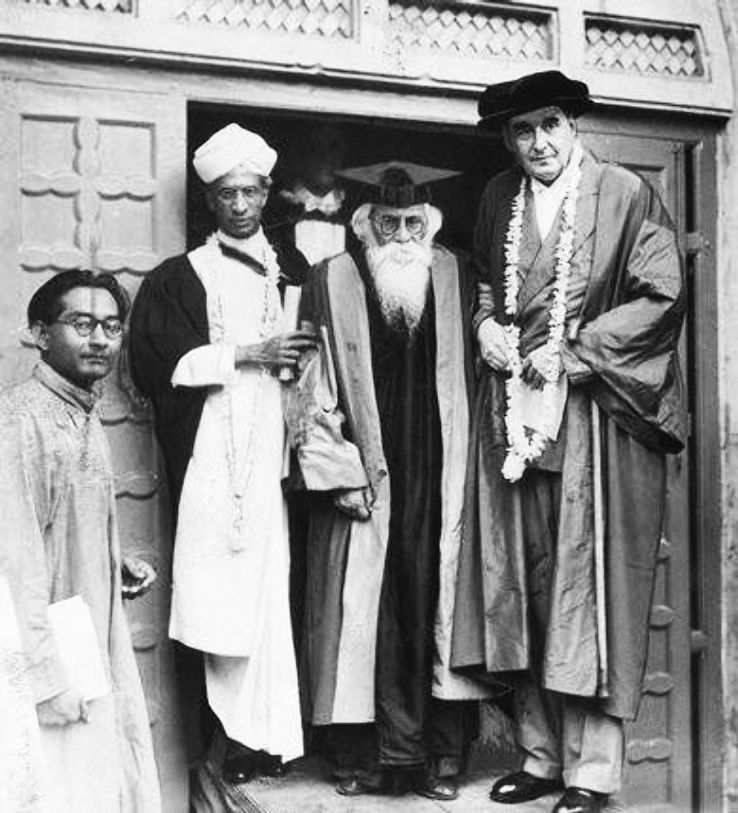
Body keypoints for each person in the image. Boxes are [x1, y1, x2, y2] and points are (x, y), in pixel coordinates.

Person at [450, 71, 686, 813]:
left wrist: (579, 350)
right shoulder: (497, 199)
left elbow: (662, 294)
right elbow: (490, 286)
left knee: (587, 592)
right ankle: (542, 756)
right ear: (507, 139)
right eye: (522, 131)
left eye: (550, 124)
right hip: (513, 416)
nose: (538, 142)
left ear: (572, 124)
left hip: (592, 419)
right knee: (523, 583)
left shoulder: (624, 194)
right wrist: (486, 326)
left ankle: (592, 773)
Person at [287, 161, 492, 801]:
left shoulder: (459, 276)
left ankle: (443, 758)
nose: (400, 236)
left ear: (428, 225)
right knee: (365, 610)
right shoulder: (331, 278)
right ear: (365, 227)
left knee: (436, 598)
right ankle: (362, 756)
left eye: (411, 223)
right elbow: (306, 384)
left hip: (443, 470)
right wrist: (337, 473)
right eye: (387, 224)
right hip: (363, 474)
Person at [128, 123, 315, 786]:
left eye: (251, 191)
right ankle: (221, 737)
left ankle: (264, 740)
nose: (239, 204)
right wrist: (245, 353)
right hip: (213, 453)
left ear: (266, 195)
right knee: (217, 591)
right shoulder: (181, 276)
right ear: (210, 200)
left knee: (270, 591)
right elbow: (160, 363)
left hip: (275, 454)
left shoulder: (293, 270)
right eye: (226, 193)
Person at [0, 270, 160, 812]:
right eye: (82, 324)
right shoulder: (23, 418)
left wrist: (113, 563)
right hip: (45, 663)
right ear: (41, 334)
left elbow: (59, 530)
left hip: (86, 644)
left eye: (112, 327)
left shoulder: (80, 411)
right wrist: (45, 683)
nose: (99, 340)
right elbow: (14, 561)